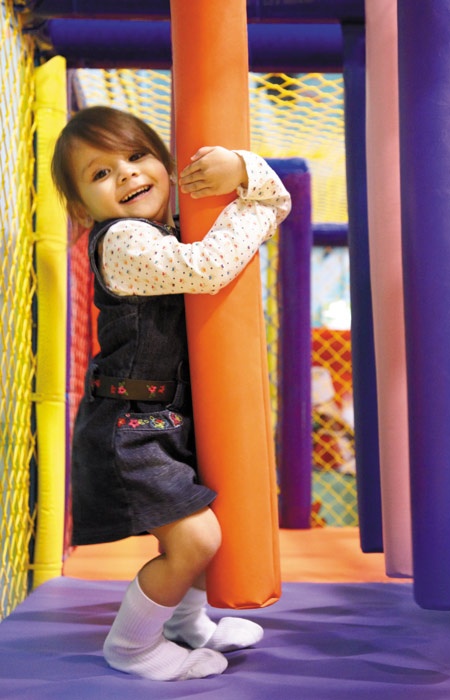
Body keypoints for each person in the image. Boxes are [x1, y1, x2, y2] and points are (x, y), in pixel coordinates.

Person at [51, 105, 291, 682]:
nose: (127, 174)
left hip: (165, 416)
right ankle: (132, 647)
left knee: (208, 525)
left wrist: (243, 170)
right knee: (195, 539)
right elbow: (208, 268)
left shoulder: (173, 225)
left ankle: (185, 624)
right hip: (131, 426)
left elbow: (277, 203)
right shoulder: (124, 240)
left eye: (136, 156)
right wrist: (252, 201)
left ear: (166, 164)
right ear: (83, 209)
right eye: (101, 173)